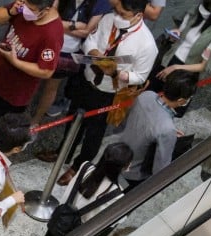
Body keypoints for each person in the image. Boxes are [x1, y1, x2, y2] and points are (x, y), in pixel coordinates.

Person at [52, 0, 157, 187]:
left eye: (123, 14)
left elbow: (140, 76)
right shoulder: (108, 19)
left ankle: (77, 166)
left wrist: (117, 72)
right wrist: (93, 52)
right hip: (87, 80)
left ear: (138, 15)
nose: (117, 16)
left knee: (94, 132)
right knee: (73, 118)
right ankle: (63, 152)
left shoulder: (147, 44)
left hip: (109, 92)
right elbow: (92, 39)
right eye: (116, 10)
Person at [30, 142, 133, 236]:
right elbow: (111, 226)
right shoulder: (117, 197)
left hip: (58, 224)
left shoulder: (85, 167)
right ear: (124, 167)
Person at [0, 0, 63, 130]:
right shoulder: (21, 7)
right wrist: (11, 12)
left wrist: (16, 62)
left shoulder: (51, 34)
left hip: (15, 94)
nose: (25, 9)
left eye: (31, 9)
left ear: (46, 10)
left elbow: (46, 71)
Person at [31, 0, 111, 123]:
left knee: (51, 87)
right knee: (30, 77)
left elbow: (87, 32)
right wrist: (76, 25)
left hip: (68, 52)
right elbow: (49, 16)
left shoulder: (101, 3)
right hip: (46, 42)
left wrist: (58, 24)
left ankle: (35, 122)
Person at [118, 71, 198, 188]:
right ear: (181, 101)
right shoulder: (167, 129)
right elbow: (160, 170)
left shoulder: (147, 95)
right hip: (134, 172)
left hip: (119, 151)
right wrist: (168, 136)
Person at [149, 0, 211, 115]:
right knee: (151, 93)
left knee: (167, 107)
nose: (202, 10)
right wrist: (176, 33)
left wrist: (176, 67)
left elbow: (203, 65)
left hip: (185, 71)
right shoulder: (195, 11)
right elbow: (181, 30)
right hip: (169, 58)